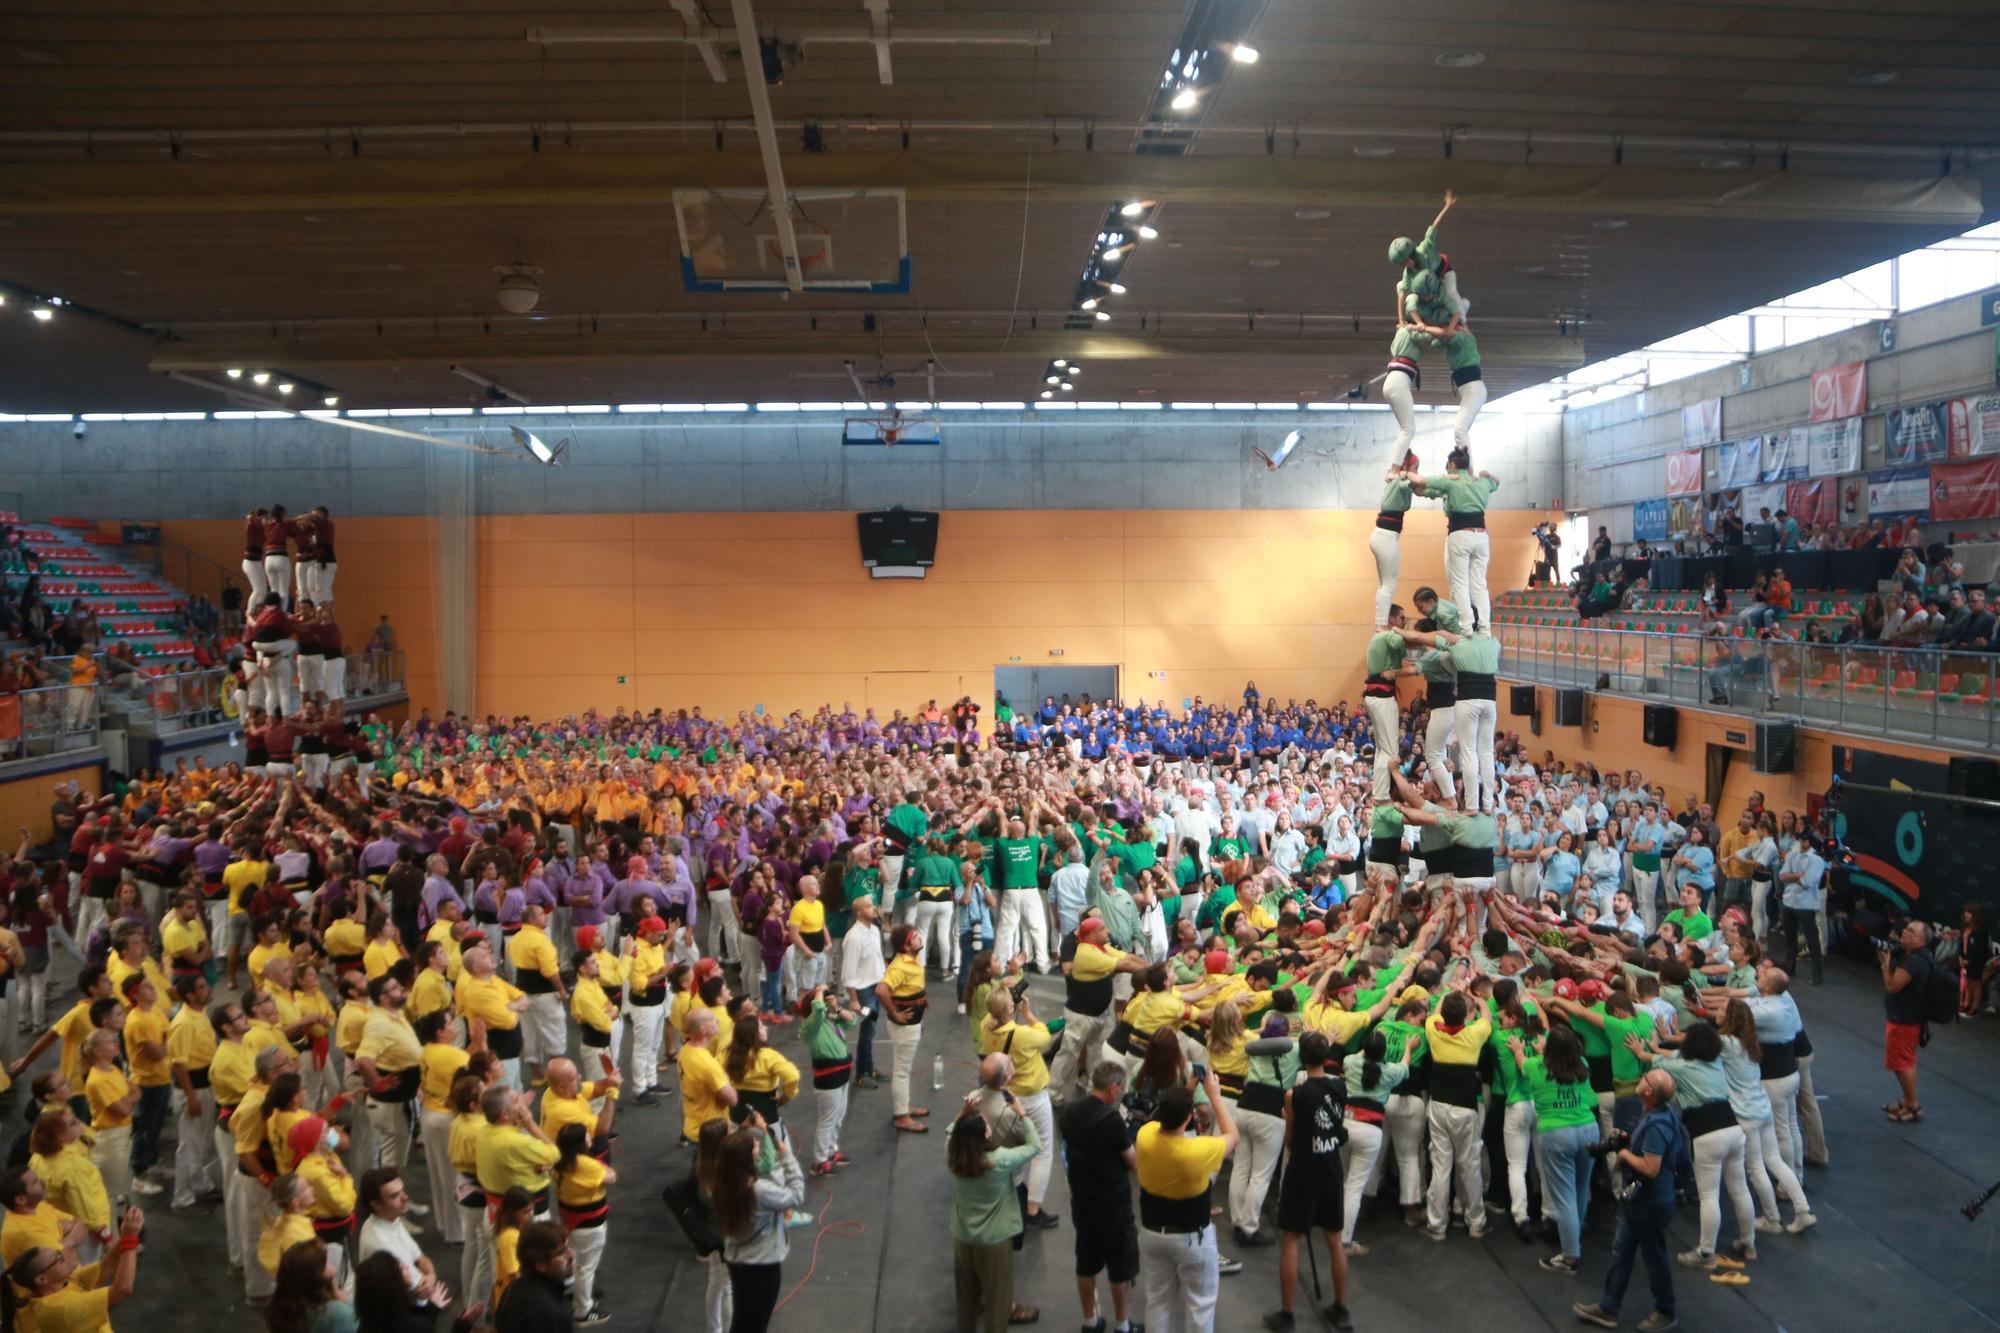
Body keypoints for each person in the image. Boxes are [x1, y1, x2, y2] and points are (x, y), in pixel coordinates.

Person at [1573, 1068, 1686, 1332]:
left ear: (1648, 1092)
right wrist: (1627, 1141)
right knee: (1621, 1253)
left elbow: (1650, 1167)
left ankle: (1665, 1311)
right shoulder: (1657, 1113)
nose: (1641, 1077)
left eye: (1646, 1077)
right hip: (1639, 1202)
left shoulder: (1657, 1125)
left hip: (1651, 1203)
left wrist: (1624, 1156)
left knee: (1655, 1258)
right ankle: (1609, 1308)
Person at [1134, 1074, 1239, 1333]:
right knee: (1200, 1305)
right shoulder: (1198, 1151)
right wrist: (1214, 1095)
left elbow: (1161, 1120)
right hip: (1192, 1237)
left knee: (1157, 1300)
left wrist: (1184, 1092)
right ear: (1190, 1117)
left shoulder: (1145, 1135)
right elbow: (1232, 1135)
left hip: (1151, 1233)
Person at [1265, 1033, 1352, 1332]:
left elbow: (1290, 1141)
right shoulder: (1340, 1086)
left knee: (1291, 1240)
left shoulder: (1294, 1095)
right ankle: (1341, 1308)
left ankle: (1287, 1314)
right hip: (1331, 1167)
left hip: (1303, 1170)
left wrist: (1288, 1116)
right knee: (1334, 1239)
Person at [948, 1086, 1044, 1333]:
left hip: (963, 1238)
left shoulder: (954, 1155)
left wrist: (963, 1112)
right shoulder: (998, 1160)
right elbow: (1034, 1147)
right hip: (995, 1241)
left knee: (965, 1302)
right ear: (984, 1135)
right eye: (986, 1124)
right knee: (998, 1303)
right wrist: (1021, 1113)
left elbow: (950, 1133)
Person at [1059, 1060, 1140, 1333]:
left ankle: (1090, 1321)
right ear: (1113, 1087)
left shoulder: (1069, 1111)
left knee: (1086, 1263)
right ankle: (1122, 1325)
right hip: (1112, 1203)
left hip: (1082, 1199)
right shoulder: (1112, 1121)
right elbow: (1133, 1162)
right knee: (1120, 1268)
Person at [711, 1117, 806, 1333]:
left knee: (742, 1319)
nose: (758, 1147)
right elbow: (796, 1195)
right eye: (755, 1147)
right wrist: (786, 1154)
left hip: (737, 1259)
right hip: (762, 1265)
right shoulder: (759, 1191)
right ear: (746, 1157)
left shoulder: (723, 1182)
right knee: (757, 1324)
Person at [3, 1202, 146, 1332]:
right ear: (42, 1279)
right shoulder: (61, 1309)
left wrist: (125, 1234)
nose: (64, 1254)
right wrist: (130, 1237)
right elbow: (122, 1289)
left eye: (58, 1252)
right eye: (58, 1258)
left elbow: (110, 1263)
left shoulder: (63, 1282)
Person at [1881, 920, 1935, 1123]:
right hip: (1909, 1017)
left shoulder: (1913, 962)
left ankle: (1912, 1104)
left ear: (1919, 940)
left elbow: (1892, 986)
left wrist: (1885, 965)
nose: (1904, 931)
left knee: (1902, 1063)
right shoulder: (1917, 957)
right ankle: (1907, 1099)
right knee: (1906, 1061)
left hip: (1904, 1019)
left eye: (1910, 931)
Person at [267, 1237, 359, 1333]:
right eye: (325, 1262)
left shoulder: (281, 1307)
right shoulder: (337, 1313)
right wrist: (345, 1301)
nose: (333, 1267)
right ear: (317, 1277)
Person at [493, 1220, 570, 1333]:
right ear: (540, 1265)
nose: (571, 1255)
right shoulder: (550, 1313)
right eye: (561, 1252)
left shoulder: (512, 1288)